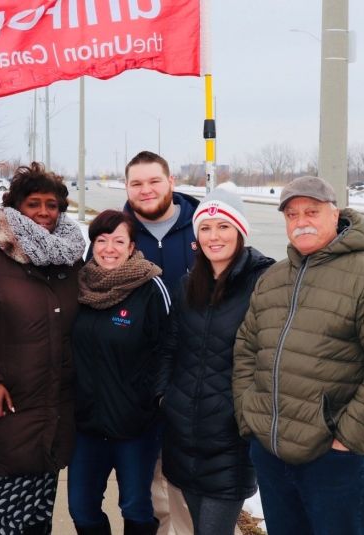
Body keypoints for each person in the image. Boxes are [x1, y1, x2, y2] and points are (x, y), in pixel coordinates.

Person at [232, 175, 364, 535]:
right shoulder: (275, 276)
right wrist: (251, 416)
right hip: (272, 454)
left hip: (333, 460)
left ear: (335, 213)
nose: (301, 221)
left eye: (312, 211)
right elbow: (247, 347)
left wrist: (348, 438)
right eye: (292, 214)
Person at [0, 163, 86, 535]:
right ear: (15, 207)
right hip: (5, 409)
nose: (44, 213)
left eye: (52, 205)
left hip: (53, 411)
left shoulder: (71, 261)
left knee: (34, 518)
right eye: (33, 204)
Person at [157, 187, 274, 535]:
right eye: (205, 229)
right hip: (184, 433)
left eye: (223, 226)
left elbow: (270, 354)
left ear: (240, 230)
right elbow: (170, 346)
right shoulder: (188, 284)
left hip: (230, 441)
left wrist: (246, 413)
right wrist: (166, 396)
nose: (214, 236)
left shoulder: (263, 282)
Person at [68, 210, 171, 535]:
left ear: (131, 247)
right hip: (86, 426)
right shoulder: (78, 286)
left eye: (118, 240)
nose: (109, 248)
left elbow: (169, 350)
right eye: (101, 240)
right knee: (81, 509)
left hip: (135, 428)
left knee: (137, 508)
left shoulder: (151, 288)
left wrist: (153, 402)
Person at [123, 150, 198, 534]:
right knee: (149, 489)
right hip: (140, 383)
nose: (146, 190)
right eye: (137, 183)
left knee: (189, 484)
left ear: (171, 182)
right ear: (127, 188)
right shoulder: (116, 235)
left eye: (154, 181)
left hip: (196, 379)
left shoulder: (205, 226)